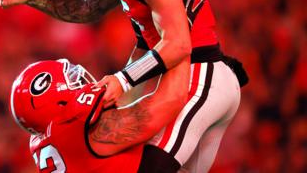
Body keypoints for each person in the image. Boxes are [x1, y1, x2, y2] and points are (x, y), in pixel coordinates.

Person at [1, 0, 247, 171]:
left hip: (200, 75)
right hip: (203, 76)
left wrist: (123, 80)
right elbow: (87, 7)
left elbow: (177, 45)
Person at [10, 58, 187, 172]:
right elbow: (173, 98)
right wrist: (179, 39)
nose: (80, 81)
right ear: (59, 102)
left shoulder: (47, 138)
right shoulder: (83, 130)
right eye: (72, 80)